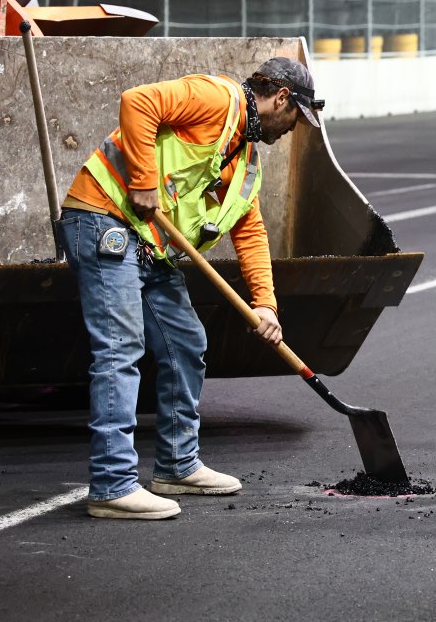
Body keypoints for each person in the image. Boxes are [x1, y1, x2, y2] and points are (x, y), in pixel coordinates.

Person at [58, 57, 324, 519]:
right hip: (105, 220)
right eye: (295, 118)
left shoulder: (244, 160)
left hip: (151, 246)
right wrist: (142, 180)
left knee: (185, 342)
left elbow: (251, 232)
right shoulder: (216, 97)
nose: (291, 129)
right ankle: (112, 485)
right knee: (121, 348)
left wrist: (266, 306)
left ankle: (177, 466)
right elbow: (137, 102)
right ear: (281, 99)